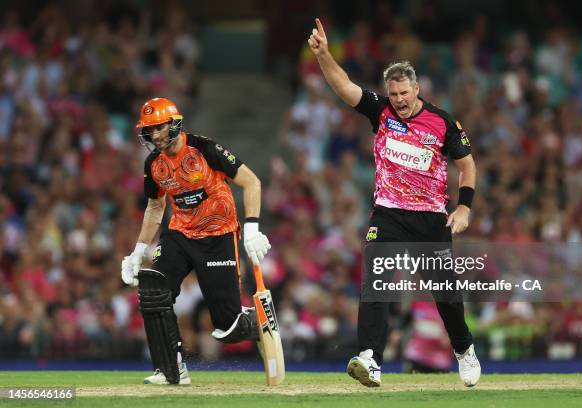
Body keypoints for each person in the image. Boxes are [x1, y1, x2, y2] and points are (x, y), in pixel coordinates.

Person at [308, 18, 480, 387]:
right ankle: (370, 358)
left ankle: (464, 349)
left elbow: (467, 166)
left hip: (431, 217)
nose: (399, 100)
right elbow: (344, 87)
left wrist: (464, 207)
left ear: (417, 88)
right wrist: (323, 55)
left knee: (445, 294)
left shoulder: (443, 122)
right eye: (394, 93)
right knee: (376, 279)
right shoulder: (380, 110)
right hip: (387, 212)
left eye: (405, 93)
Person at [120, 97, 271, 385]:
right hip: (180, 233)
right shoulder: (154, 163)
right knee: (154, 287)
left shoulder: (205, 149)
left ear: (174, 123)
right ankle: (170, 370)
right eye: (149, 130)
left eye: (159, 128)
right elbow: (155, 207)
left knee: (228, 329)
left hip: (218, 235)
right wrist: (138, 251)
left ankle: (258, 324)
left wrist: (251, 228)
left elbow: (252, 182)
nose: (155, 136)